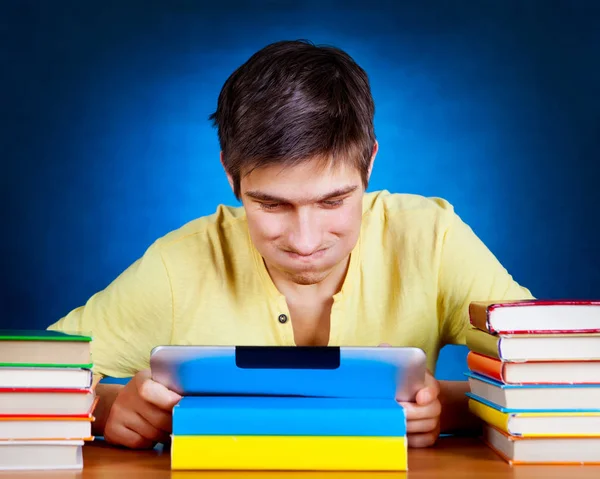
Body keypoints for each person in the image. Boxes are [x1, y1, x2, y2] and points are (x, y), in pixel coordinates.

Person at [48, 39, 533, 450]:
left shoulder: (432, 240)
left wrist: (451, 407)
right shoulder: (182, 264)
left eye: (334, 201)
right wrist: (108, 407)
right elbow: (28, 381)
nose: (305, 242)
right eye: (272, 205)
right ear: (230, 176)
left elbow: (552, 374)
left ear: (369, 166)